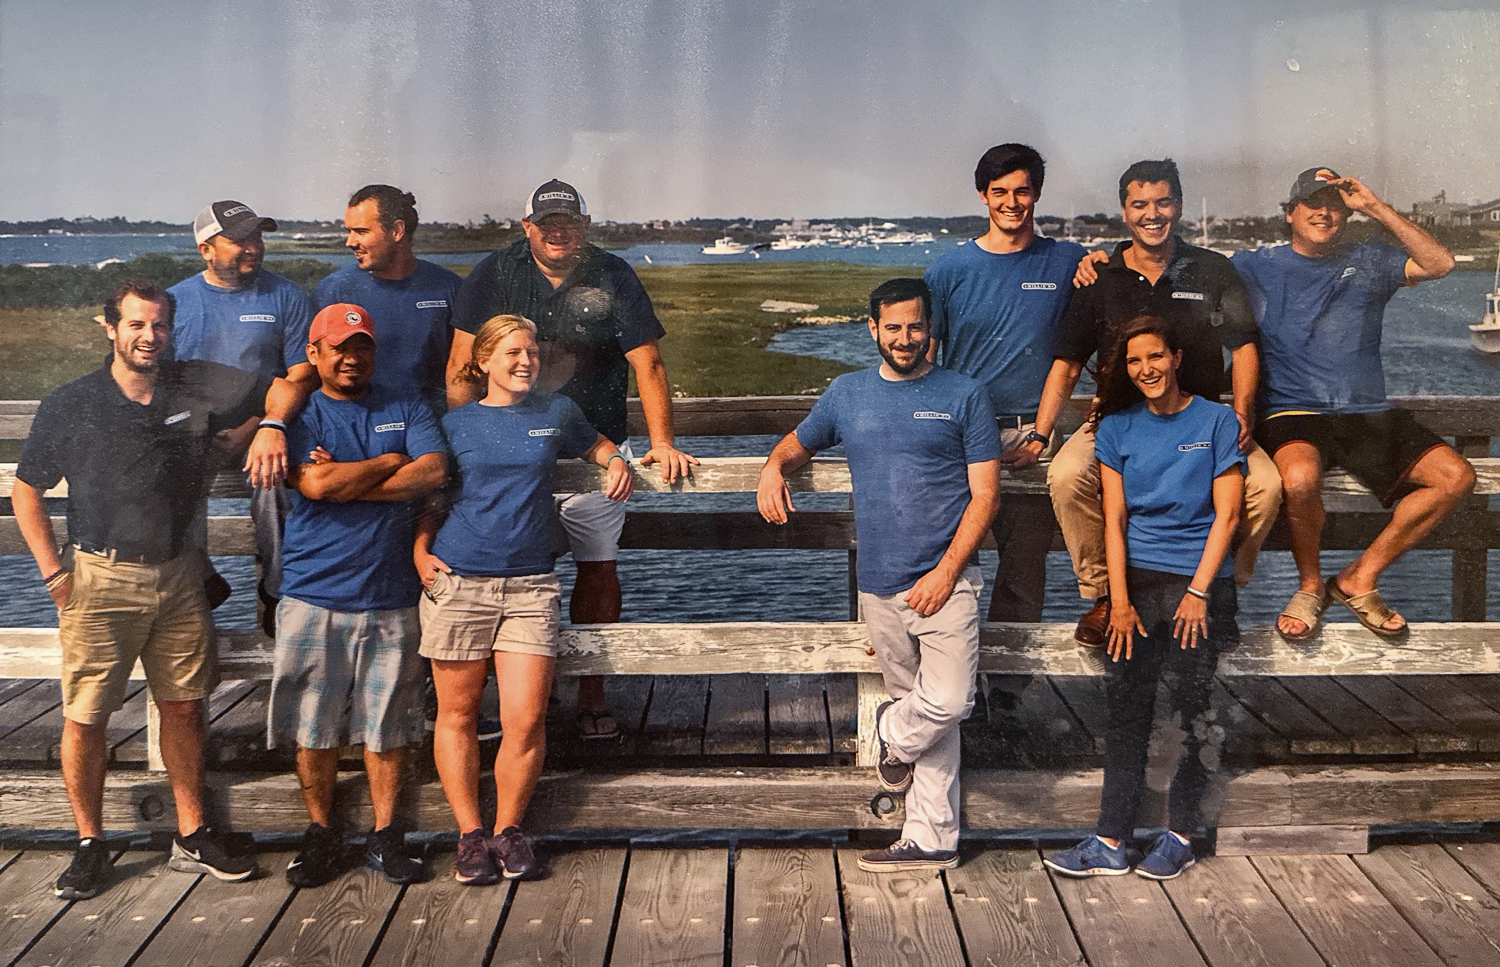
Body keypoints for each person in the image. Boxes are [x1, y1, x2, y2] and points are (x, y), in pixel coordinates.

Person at [13, 280, 262, 898]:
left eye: (159, 326)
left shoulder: (190, 390)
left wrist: (264, 429)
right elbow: (26, 490)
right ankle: (90, 843)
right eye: (136, 325)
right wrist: (53, 574)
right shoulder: (73, 402)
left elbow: (269, 393)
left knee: (184, 706)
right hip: (98, 579)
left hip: (180, 575)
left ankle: (191, 833)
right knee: (87, 715)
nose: (149, 337)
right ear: (110, 328)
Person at [758, 278, 1000, 872]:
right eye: (892, 327)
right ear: (873, 329)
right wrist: (772, 468)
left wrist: (947, 572)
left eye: (915, 327)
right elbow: (799, 443)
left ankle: (891, 736)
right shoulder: (847, 393)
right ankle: (931, 840)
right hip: (880, 582)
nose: (904, 338)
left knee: (946, 701)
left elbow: (986, 495)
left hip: (947, 580)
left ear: (931, 330)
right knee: (920, 704)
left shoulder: (965, 395)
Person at [447, 179, 696, 739]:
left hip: (594, 448)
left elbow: (648, 363)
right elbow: (462, 364)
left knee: (597, 566)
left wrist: (661, 441)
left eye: (570, 222)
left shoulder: (613, 273)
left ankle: (590, 694)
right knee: (493, 569)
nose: (558, 232)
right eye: (547, 223)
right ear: (527, 227)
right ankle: (500, 701)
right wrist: (466, 443)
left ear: (584, 225)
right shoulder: (495, 273)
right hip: (508, 452)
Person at [417, 314, 633, 884]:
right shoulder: (454, 424)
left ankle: (509, 829)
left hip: (532, 585)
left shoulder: (555, 412)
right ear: (483, 360)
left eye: (532, 352)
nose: (525, 361)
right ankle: (469, 836)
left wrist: (615, 461)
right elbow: (431, 497)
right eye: (512, 352)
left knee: (525, 718)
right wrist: (419, 552)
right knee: (458, 715)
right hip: (459, 581)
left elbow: (598, 445)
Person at [1042, 159, 1281, 646]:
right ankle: (1106, 592)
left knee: (1268, 487)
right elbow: (1066, 365)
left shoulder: (1213, 269)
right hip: (1117, 422)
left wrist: (1241, 412)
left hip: (1202, 423)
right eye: (1140, 204)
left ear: (1179, 205)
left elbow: (1245, 348)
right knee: (1066, 476)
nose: (1153, 214)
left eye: (1163, 202)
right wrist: (1039, 434)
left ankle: (1216, 585)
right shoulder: (1100, 277)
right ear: (1124, 212)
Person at [1233, 168, 1473, 639]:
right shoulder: (1253, 264)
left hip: (1367, 412)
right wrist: (1099, 261)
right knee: (1299, 478)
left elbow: (1440, 264)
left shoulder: (1371, 259)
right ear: (1290, 213)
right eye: (1312, 203)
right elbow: (1175, 268)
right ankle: (1308, 586)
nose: (1325, 212)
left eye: (1336, 205)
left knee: (1455, 478)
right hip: (1294, 410)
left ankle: (1357, 578)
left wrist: (1374, 206)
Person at [1044, 315, 1242, 881]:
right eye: (1134, 362)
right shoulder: (1116, 427)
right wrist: (1119, 600)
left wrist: (1200, 591)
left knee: (1190, 708)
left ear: (1176, 357)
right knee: (1126, 712)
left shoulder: (1216, 419)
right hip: (1137, 582)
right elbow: (1114, 519)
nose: (1146, 369)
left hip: (1199, 585)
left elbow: (1227, 514)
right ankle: (1110, 839)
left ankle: (1179, 835)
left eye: (1155, 357)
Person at [266, 303, 447, 887]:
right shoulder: (301, 411)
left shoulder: (406, 403)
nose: (351, 357)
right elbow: (313, 483)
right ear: (314, 354)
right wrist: (391, 461)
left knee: (388, 726)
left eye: (361, 346)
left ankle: (387, 834)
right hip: (314, 591)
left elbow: (434, 472)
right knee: (313, 727)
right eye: (338, 347)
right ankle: (321, 832)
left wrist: (353, 478)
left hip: (392, 594)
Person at [922, 143, 1085, 622]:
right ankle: (951, 679)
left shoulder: (1067, 261)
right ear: (982, 196)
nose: (1011, 202)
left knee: (1023, 565)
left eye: (1022, 191)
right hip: (961, 437)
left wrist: (1098, 261)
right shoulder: (948, 270)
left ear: (1037, 194)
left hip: (1031, 437)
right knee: (947, 558)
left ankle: (1010, 691)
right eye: (999, 192)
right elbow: (925, 360)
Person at [170, 200, 315, 631]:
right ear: (205, 250)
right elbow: (165, 386)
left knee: (273, 479)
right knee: (170, 474)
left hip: (268, 426)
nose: (253, 247)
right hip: (198, 431)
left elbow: (302, 377)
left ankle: (274, 592)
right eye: (239, 240)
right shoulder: (175, 302)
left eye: (258, 238)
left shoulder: (285, 296)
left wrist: (259, 427)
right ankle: (197, 583)